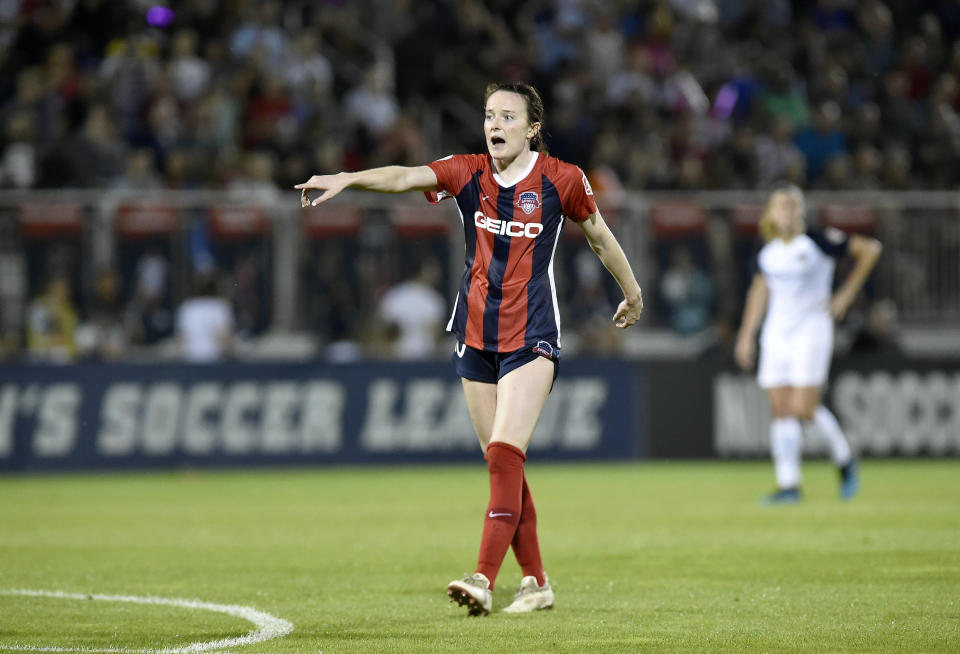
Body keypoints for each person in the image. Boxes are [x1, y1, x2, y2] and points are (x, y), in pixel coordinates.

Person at [296, 82, 643, 615]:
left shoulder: (562, 179)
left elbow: (598, 234)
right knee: (503, 465)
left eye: (508, 116)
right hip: (476, 335)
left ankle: (483, 576)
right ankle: (537, 582)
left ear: (532, 128)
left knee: (505, 454)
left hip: (533, 335)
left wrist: (632, 290)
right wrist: (350, 178)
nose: (495, 125)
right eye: (488, 115)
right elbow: (406, 177)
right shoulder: (468, 171)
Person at [734, 184, 882, 504]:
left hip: (811, 331)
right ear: (771, 213)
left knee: (804, 407)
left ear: (801, 211)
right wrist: (747, 335)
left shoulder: (818, 240)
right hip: (777, 334)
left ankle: (844, 460)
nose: (788, 212)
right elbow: (758, 292)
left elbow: (870, 249)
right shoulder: (767, 253)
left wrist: (846, 293)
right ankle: (789, 485)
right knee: (781, 409)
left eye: (793, 206)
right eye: (781, 206)